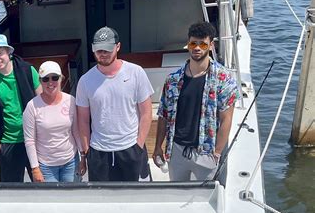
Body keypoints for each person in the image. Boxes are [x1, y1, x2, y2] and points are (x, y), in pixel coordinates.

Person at [154, 21, 239, 181]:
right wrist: (158, 146)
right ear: (188, 44)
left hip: (207, 153)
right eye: (193, 43)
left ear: (211, 45)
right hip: (177, 150)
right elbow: (163, 115)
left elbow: (226, 119)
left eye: (203, 44)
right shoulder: (172, 80)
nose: (197, 48)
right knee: (178, 196)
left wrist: (217, 153)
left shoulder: (224, 79)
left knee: (206, 199)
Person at [76, 26, 154, 181]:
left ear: (118, 47)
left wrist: (139, 145)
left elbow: (146, 112)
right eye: (99, 50)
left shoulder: (136, 72)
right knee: (103, 202)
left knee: (134, 200)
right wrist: (86, 151)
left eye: (107, 49)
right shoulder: (85, 81)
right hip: (99, 152)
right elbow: (83, 119)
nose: (103, 54)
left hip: (130, 148)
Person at [0, 34, 41, 182]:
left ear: (8, 52)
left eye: (0, 53)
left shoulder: (28, 70)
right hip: (7, 141)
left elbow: (42, 103)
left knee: (42, 187)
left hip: (33, 139)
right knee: (11, 193)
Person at [23, 61, 81, 183]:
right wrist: (35, 168)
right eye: (45, 79)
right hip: (45, 165)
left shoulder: (71, 100)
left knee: (73, 199)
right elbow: (29, 140)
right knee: (50, 201)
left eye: (55, 78)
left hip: (71, 161)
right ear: (40, 81)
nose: (50, 83)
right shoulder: (32, 106)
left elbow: (76, 131)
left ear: (61, 78)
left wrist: (83, 157)